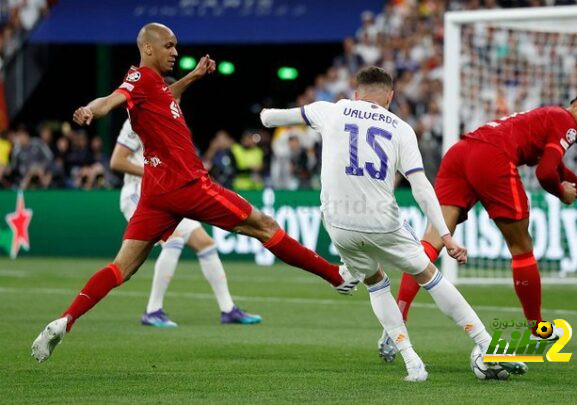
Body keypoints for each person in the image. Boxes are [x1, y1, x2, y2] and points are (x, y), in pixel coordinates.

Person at [31, 22, 360, 363]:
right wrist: (90, 109)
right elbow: (113, 99)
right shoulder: (140, 79)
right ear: (148, 49)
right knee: (265, 226)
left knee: (121, 268)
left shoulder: (155, 86)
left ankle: (64, 320)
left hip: (156, 193)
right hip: (187, 185)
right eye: (169, 46)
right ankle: (335, 276)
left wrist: (193, 78)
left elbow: (165, 98)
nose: (175, 52)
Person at [260, 66, 526, 381]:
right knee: (429, 275)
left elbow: (268, 118)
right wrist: (445, 235)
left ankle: (413, 363)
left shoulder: (329, 110)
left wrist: (273, 115)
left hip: (338, 224)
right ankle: (485, 343)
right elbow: (421, 187)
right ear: (390, 96)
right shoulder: (401, 128)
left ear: (356, 94)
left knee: (375, 283)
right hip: (380, 221)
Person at [385, 89, 577, 359]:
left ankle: (397, 321)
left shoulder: (549, 119)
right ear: (575, 106)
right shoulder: (564, 121)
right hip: (493, 157)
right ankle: (537, 328)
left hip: (462, 152)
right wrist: (561, 193)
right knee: (522, 247)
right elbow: (546, 174)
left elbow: (560, 170)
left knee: (433, 241)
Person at [110, 80, 261, 326]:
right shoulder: (137, 120)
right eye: (173, 98)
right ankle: (153, 310)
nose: (176, 103)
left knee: (205, 243)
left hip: (168, 194)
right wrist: (154, 174)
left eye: (179, 99)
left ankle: (228, 309)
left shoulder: (173, 124)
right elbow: (117, 161)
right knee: (175, 238)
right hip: (139, 194)